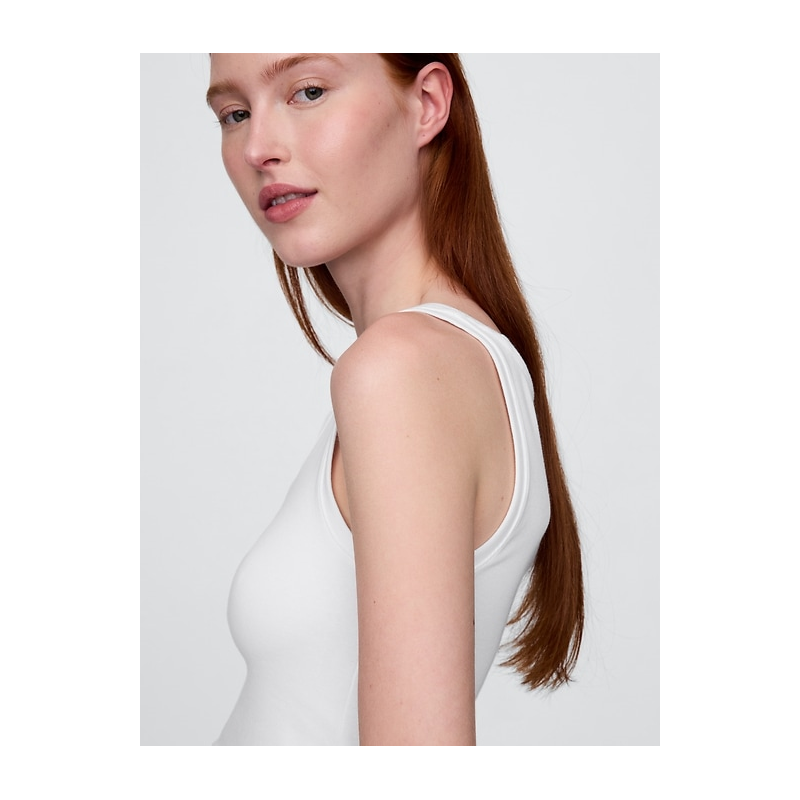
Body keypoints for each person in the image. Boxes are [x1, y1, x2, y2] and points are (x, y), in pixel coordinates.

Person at [205, 53, 584, 747]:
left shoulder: (400, 370)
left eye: (308, 91)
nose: (258, 147)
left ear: (428, 103)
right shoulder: (447, 359)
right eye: (234, 113)